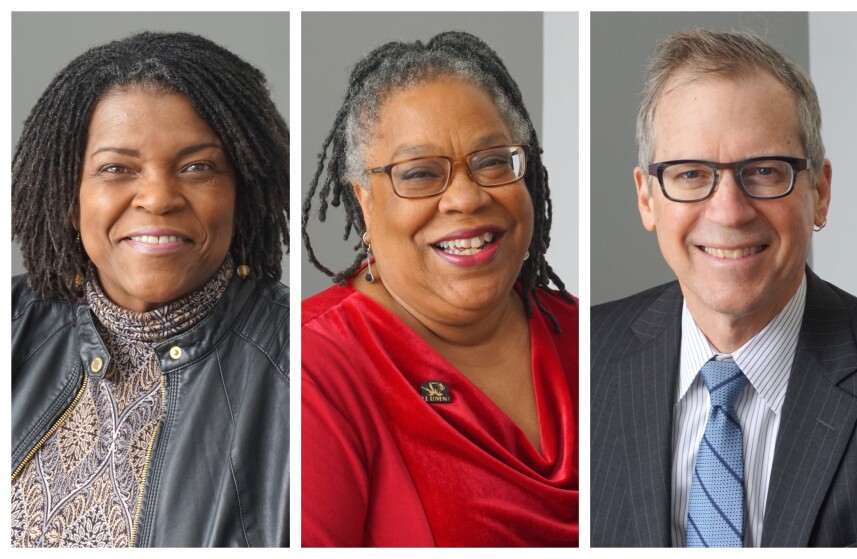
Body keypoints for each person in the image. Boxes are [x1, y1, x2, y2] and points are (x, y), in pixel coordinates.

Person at [11, 31, 290, 547]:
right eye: (117, 169)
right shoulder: (13, 320)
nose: (158, 198)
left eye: (197, 167)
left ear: (240, 192)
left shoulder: (303, 361)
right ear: (70, 197)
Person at [590, 29, 857, 547]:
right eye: (691, 173)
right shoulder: (579, 363)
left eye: (763, 170)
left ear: (820, 192)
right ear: (647, 199)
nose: (729, 212)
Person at [301, 31, 578, 547]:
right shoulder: (313, 365)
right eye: (421, 173)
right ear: (364, 199)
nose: (467, 198)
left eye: (494, 161)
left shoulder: (589, 335)